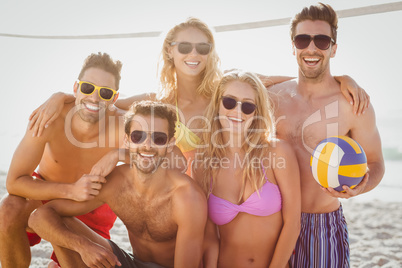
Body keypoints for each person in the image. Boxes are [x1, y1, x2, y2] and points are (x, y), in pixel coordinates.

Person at [28, 17, 369, 177]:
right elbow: (101, 103)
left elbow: (289, 80)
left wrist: (340, 77)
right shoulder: (156, 101)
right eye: (185, 46)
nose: (194, 53)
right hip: (179, 202)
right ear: (170, 51)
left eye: (202, 47)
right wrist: (60, 96)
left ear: (210, 53)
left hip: (220, 199)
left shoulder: (225, 93)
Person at [269, 3, 385, 267]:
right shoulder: (272, 97)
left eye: (321, 41)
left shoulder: (353, 104)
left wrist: (360, 188)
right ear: (293, 46)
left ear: (333, 48)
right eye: (302, 39)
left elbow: (376, 162)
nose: (311, 48)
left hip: (321, 224)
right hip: (272, 219)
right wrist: (345, 77)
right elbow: (234, 80)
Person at [28, 101, 207, 268]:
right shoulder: (117, 182)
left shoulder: (187, 198)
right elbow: (38, 218)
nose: (147, 145)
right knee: (62, 223)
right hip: (132, 262)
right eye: (138, 136)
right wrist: (84, 247)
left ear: (170, 144)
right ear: (127, 140)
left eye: (158, 138)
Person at [0, 52, 125, 268]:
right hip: (46, 193)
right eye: (87, 88)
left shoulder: (123, 125)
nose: (94, 98)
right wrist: (71, 190)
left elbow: (158, 105)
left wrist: (119, 154)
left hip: (90, 209)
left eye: (105, 93)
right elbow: (14, 182)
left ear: (114, 98)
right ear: (76, 88)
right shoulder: (49, 118)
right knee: (7, 210)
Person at [193, 70, 300, 267]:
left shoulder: (276, 152)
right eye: (229, 102)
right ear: (217, 104)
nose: (238, 111)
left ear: (257, 112)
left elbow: (293, 223)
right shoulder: (203, 162)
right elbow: (209, 236)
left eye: (248, 106)